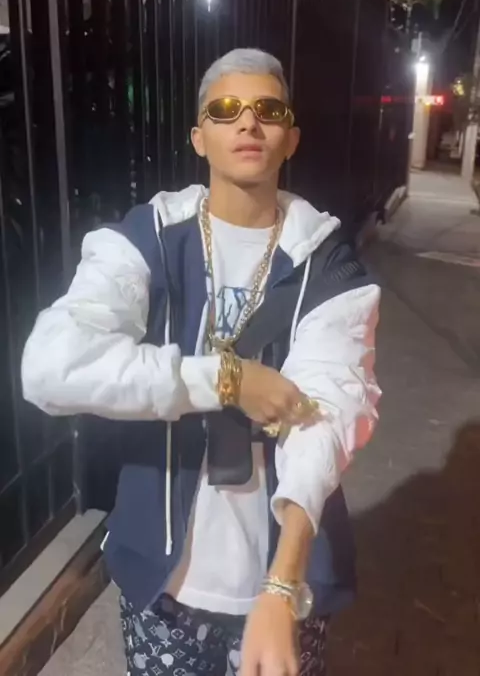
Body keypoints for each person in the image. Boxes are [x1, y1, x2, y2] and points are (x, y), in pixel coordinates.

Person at [21, 48, 382, 676]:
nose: (248, 122)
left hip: (280, 583)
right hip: (163, 585)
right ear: (199, 136)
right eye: (226, 110)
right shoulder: (149, 239)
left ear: (291, 137)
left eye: (268, 110)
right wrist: (225, 379)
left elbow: (329, 414)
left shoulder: (328, 264)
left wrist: (282, 585)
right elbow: (50, 366)